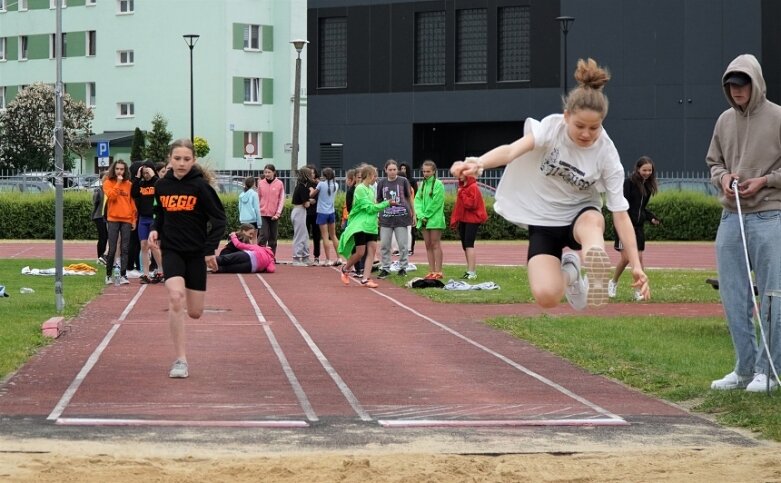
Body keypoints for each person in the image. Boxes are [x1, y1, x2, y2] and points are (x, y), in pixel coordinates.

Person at [450, 58, 650, 311]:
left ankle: (595, 265)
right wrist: (479, 163)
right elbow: (512, 151)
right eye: (579, 126)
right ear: (566, 117)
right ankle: (573, 273)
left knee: (593, 223)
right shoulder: (552, 128)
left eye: (594, 128)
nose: (586, 134)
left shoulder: (607, 154)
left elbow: (620, 215)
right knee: (546, 296)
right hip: (543, 217)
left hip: (580, 213)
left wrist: (636, 265)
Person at [707, 54, 781, 393]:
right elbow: (714, 162)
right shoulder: (724, 121)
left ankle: (768, 370)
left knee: (771, 295)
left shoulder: (778, 117)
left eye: (742, 84)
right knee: (733, 294)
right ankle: (744, 368)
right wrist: (723, 178)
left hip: (770, 214)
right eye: (731, 85)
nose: (736, 91)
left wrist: (765, 181)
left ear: (755, 82)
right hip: (730, 215)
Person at [148, 138, 227, 379]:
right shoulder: (162, 186)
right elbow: (160, 213)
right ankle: (180, 360)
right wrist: (155, 228)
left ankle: (183, 349)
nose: (181, 163)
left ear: (193, 161)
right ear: (169, 160)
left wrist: (209, 249)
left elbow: (219, 220)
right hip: (172, 251)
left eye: (186, 159)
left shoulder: (201, 187)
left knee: (194, 312)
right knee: (175, 297)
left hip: (195, 254)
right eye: (177, 158)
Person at [608, 156, 660, 300]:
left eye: (650, 170)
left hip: (638, 227)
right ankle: (613, 282)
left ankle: (639, 290)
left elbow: (641, 208)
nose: (647, 173)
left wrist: (651, 217)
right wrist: (620, 223)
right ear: (637, 169)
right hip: (625, 226)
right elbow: (621, 205)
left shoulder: (648, 187)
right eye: (644, 170)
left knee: (639, 258)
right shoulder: (628, 183)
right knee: (626, 258)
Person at [337, 164, 392, 288]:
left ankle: (365, 279)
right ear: (369, 176)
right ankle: (345, 269)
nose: (376, 179)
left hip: (371, 225)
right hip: (360, 225)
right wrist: (386, 203)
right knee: (360, 252)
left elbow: (373, 207)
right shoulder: (360, 189)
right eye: (374, 176)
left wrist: (377, 217)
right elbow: (369, 208)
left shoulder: (371, 190)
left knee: (372, 251)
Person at [376, 159, 415, 278]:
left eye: (394, 169)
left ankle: (403, 268)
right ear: (386, 170)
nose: (392, 172)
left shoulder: (403, 181)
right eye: (390, 170)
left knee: (403, 245)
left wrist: (413, 213)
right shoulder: (382, 182)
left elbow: (409, 198)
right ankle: (385, 268)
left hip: (402, 217)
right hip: (386, 218)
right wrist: (378, 214)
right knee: (385, 245)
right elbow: (379, 200)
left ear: (397, 170)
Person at [102, 159, 137, 285]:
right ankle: (108, 275)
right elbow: (111, 196)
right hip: (113, 219)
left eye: (122, 169)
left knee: (125, 248)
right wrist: (117, 183)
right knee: (112, 249)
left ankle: (123, 275)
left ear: (125, 170)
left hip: (126, 219)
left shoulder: (129, 184)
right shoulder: (107, 182)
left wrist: (134, 219)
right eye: (117, 169)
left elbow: (132, 203)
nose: (119, 171)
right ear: (113, 170)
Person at [450, 173, 488, 280]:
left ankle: (472, 271)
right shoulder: (463, 187)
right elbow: (459, 206)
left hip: (472, 220)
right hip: (464, 219)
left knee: (469, 244)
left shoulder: (472, 187)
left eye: (462, 174)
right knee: (465, 245)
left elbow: (471, 204)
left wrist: (462, 194)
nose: (460, 176)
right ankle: (469, 270)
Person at [131, 160, 163, 284]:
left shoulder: (157, 182)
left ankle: (161, 270)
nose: (146, 175)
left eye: (147, 172)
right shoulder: (141, 184)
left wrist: (154, 175)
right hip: (143, 219)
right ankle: (145, 274)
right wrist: (137, 177)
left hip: (154, 218)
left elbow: (161, 187)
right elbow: (133, 193)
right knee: (143, 245)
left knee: (153, 245)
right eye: (144, 173)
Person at [414, 160, 446, 280]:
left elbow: (436, 202)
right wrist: (421, 215)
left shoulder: (438, 184)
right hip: (424, 219)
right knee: (428, 245)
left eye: (428, 171)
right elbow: (417, 201)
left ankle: (439, 271)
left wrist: (426, 215)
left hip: (434, 219)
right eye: (424, 171)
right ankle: (432, 271)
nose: (426, 173)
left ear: (434, 171)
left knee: (435, 244)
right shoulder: (422, 185)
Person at [314, 167, 342, 265]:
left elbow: (313, 194)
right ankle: (339, 258)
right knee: (333, 235)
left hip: (322, 212)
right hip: (331, 212)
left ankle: (328, 259)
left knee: (325, 237)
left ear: (324, 175)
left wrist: (312, 188)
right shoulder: (336, 185)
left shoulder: (321, 184)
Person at [258, 163, 285, 257]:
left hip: (274, 215)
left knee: (273, 238)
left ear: (274, 172)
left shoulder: (279, 184)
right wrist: (257, 211)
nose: (267, 174)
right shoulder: (261, 183)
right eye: (265, 172)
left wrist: (277, 213)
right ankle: (260, 256)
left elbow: (281, 199)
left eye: (269, 172)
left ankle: (271, 257)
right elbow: (258, 197)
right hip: (262, 214)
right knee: (263, 235)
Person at [290, 167, 313, 266]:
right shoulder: (302, 187)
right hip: (299, 211)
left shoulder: (300, 186)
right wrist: (310, 200)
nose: (312, 175)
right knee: (300, 235)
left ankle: (304, 256)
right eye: (310, 174)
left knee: (304, 235)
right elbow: (306, 204)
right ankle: (296, 258)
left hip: (299, 211)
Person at [399, 162, 418, 256]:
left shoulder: (412, 182)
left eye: (404, 168)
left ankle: (411, 248)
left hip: (410, 208)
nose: (403, 170)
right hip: (400, 209)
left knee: (411, 230)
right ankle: (401, 248)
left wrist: (413, 209)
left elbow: (414, 196)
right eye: (401, 168)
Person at [305, 164, 323, 264]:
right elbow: (300, 197)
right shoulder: (304, 184)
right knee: (305, 235)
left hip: (317, 212)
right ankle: (305, 255)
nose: (312, 174)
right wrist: (308, 199)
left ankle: (316, 256)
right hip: (306, 212)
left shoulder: (319, 184)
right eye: (310, 173)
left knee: (316, 235)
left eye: (313, 172)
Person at [91, 169, 108, 266]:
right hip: (99, 216)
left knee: (110, 238)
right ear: (101, 179)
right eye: (104, 178)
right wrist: (98, 193)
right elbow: (94, 201)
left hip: (109, 217)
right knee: (103, 237)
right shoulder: (98, 190)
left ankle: (106, 257)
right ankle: (100, 257)